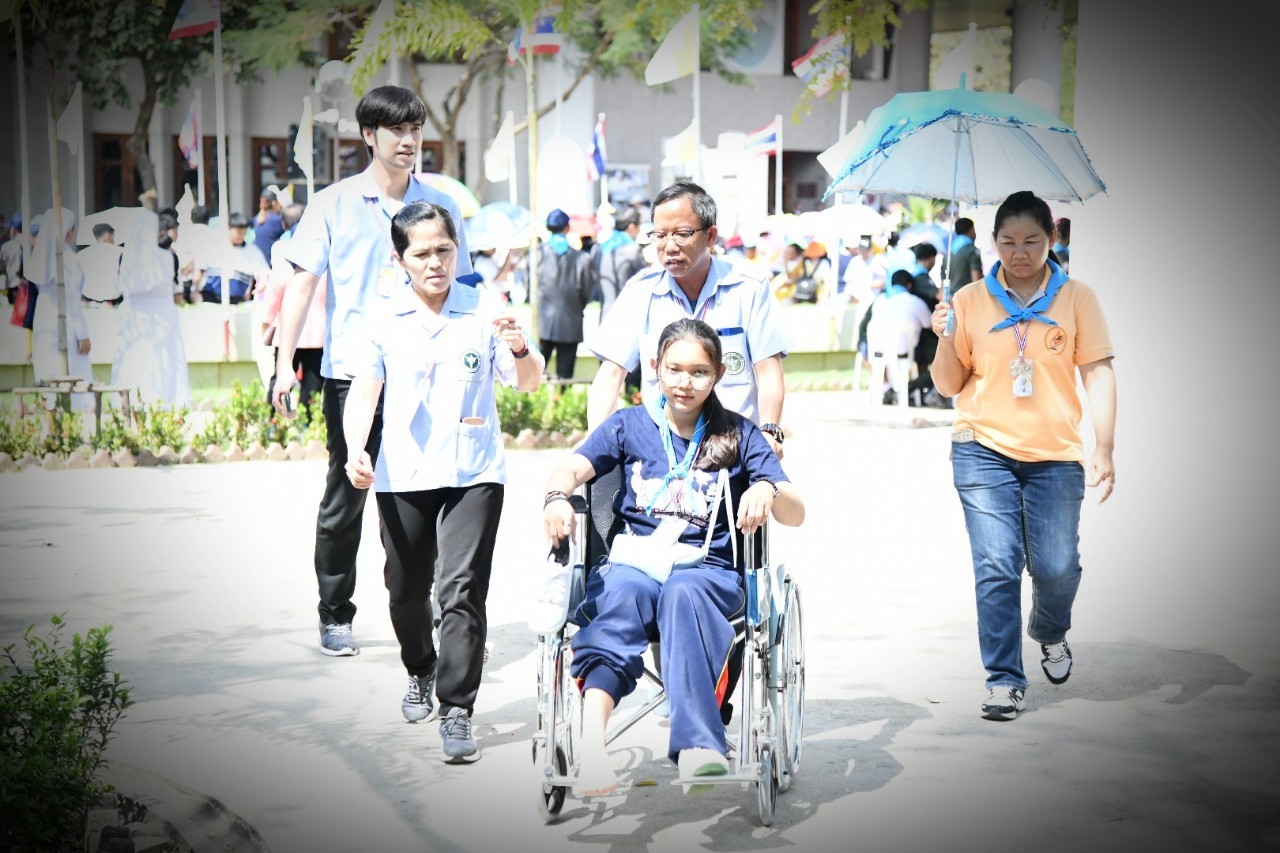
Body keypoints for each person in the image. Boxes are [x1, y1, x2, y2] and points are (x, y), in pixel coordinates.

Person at [543, 317, 805, 796]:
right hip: (636, 564)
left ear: (719, 374)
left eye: (699, 372)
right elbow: (570, 469)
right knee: (620, 594)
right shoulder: (628, 425)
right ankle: (592, 748)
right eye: (675, 369)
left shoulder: (739, 433)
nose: (686, 382)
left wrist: (768, 487)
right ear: (655, 368)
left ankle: (699, 747)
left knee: (683, 593)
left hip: (707, 572)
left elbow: (796, 513)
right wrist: (556, 497)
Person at [270, 84, 474, 658]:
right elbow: (301, 286)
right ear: (368, 135)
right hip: (354, 374)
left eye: (415, 130)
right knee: (347, 495)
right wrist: (285, 365)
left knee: (434, 494)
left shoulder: (440, 205)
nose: (409, 141)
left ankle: (440, 617)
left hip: (429, 371)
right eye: (396, 130)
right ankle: (335, 613)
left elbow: (464, 285)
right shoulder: (333, 203)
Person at [343, 201, 543, 761]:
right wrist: (356, 449)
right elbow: (365, 392)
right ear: (399, 259)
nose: (435, 263)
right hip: (403, 471)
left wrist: (520, 346)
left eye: (445, 250)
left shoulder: (484, 309)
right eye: (422, 253)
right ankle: (420, 667)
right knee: (405, 590)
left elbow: (528, 382)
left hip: (473, 471)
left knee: (461, 589)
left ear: (458, 250)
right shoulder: (383, 319)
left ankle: (458, 709)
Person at [930, 190, 1116, 722]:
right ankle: (1004, 680)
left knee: (1057, 567)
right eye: (1008, 241)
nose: (1019, 252)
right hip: (981, 448)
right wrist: (944, 335)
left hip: (1055, 454)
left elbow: (1098, 372)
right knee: (996, 565)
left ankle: (1050, 630)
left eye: (1032, 240)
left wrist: (1104, 446)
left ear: (1051, 239)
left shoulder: (1077, 297)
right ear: (993, 242)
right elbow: (948, 385)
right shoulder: (968, 300)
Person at [585, 181, 788, 455]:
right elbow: (610, 373)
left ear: (711, 236)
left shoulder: (749, 288)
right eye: (660, 235)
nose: (669, 246)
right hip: (660, 454)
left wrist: (769, 431)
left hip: (734, 448)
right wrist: (594, 443)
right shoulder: (640, 291)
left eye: (682, 234)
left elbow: (768, 370)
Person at [112, 209, 191, 410]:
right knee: (162, 362)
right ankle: (163, 404)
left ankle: (130, 403)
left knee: (134, 362)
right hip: (163, 317)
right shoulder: (167, 257)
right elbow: (174, 290)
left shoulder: (126, 258)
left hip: (132, 317)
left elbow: (118, 288)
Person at [260, 202, 325, 411]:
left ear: (283, 224)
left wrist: (266, 322)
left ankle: (275, 419)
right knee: (313, 384)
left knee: (281, 377)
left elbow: (276, 289)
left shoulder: (283, 248)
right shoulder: (323, 246)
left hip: (289, 329)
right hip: (318, 332)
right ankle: (308, 422)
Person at [27, 207, 92, 409]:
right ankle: (74, 410)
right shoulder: (67, 257)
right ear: (67, 231)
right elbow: (71, 298)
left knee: (48, 366)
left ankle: (50, 409)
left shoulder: (40, 257)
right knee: (71, 369)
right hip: (65, 321)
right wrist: (83, 333)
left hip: (44, 317)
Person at [536, 208, 593, 381]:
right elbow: (586, 292)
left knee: (535, 371)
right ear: (567, 228)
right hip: (571, 319)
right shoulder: (581, 258)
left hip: (543, 321)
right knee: (565, 376)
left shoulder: (537, 254)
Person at [200, 212, 269, 305]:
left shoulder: (252, 251)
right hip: (210, 299)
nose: (242, 236)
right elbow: (200, 268)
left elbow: (263, 271)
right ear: (228, 229)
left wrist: (263, 282)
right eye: (239, 232)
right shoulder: (214, 246)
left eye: (244, 233)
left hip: (237, 302)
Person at [592, 206, 645, 322]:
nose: (640, 231)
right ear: (632, 227)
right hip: (627, 315)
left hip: (606, 314)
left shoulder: (599, 248)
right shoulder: (633, 250)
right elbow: (644, 282)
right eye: (639, 226)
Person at [947, 217, 984, 292]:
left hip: (951, 296)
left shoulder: (948, 253)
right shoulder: (972, 250)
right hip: (967, 296)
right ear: (971, 230)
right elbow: (976, 281)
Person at [253, 187, 286, 259]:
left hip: (257, 259)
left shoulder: (256, 219)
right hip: (270, 261)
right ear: (274, 203)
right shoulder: (277, 220)